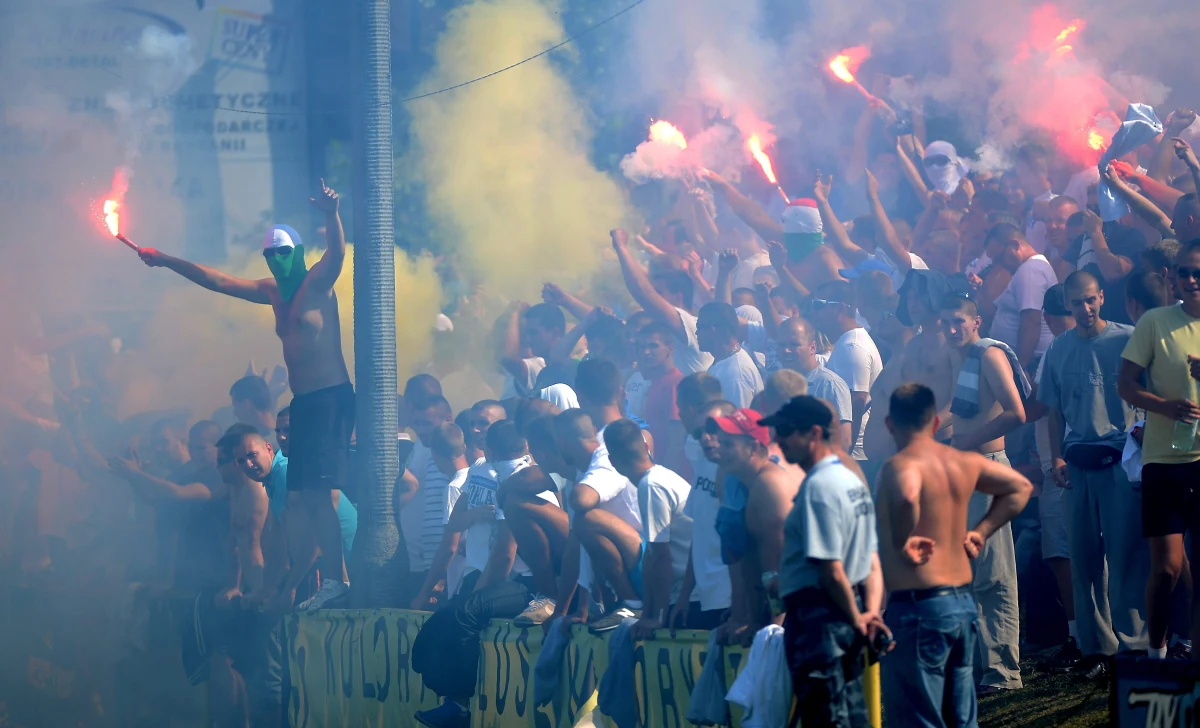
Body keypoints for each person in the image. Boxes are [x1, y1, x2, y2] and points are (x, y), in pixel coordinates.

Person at [138, 180, 354, 611]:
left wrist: (331, 214)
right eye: (269, 255)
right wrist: (164, 260)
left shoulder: (317, 283)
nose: (276, 260)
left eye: (283, 252)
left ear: (297, 252)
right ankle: (331, 578)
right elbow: (216, 281)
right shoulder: (272, 293)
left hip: (331, 398)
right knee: (304, 496)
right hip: (306, 404)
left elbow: (338, 253)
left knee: (320, 493)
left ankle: (338, 577)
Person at [876, 383, 1033, 728]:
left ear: (890, 424)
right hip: (960, 606)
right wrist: (981, 530)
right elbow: (1020, 488)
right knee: (961, 720)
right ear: (935, 424)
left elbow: (905, 494)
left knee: (921, 720)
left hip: (919, 608)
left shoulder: (899, 465)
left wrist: (903, 540)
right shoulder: (962, 462)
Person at [1038, 271, 1148, 673]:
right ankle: (1097, 649)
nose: (1084, 309)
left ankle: (1135, 645)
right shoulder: (1059, 349)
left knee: (1126, 556)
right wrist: (1057, 459)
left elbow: (1151, 395)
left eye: (1090, 300)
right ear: (1066, 305)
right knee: (1083, 559)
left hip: (1119, 459)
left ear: (1102, 297)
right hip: (1078, 462)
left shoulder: (1126, 338)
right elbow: (1053, 411)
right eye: (1076, 303)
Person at [760, 396, 884, 728]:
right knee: (850, 715)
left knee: (826, 719)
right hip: (845, 615)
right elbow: (871, 559)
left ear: (814, 433)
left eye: (787, 431)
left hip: (820, 621)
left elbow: (829, 568)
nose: (779, 439)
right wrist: (869, 612)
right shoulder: (850, 480)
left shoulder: (818, 486)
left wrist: (858, 617)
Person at [411, 425, 542, 728]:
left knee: (464, 615)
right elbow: (456, 521)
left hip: (520, 580)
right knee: (432, 631)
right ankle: (448, 699)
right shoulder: (481, 469)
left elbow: (506, 555)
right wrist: (476, 515)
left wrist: (476, 594)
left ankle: (459, 707)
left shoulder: (522, 481)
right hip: (481, 572)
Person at [941, 293, 1027, 692]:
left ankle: (1004, 672)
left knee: (993, 573)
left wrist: (966, 441)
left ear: (976, 321)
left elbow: (1016, 412)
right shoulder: (958, 357)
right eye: (946, 322)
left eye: (959, 321)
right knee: (969, 569)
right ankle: (981, 666)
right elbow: (957, 413)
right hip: (963, 473)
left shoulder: (988, 355)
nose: (952, 328)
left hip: (989, 470)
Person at [1118, 239, 1200, 659]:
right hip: (1164, 459)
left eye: (1198, 273)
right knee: (1166, 567)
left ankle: (1188, 646)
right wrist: (1165, 406)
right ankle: (1157, 654)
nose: (1191, 280)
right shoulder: (1154, 322)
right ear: (1172, 277)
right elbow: (1126, 384)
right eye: (1184, 272)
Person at [708, 408, 799, 645]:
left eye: (729, 444)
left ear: (754, 448)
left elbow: (778, 569)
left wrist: (771, 629)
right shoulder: (736, 482)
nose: (719, 448)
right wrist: (749, 618)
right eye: (721, 442)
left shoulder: (770, 486)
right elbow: (746, 557)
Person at [605, 418, 695, 639]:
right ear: (646, 446)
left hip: (691, 596)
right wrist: (647, 612)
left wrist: (658, 617)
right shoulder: (660, 477)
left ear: (612, 461)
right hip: (688, 589)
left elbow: (661, 558)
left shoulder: (652, 486)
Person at [669, 388, 734, 631]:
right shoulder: (704, 465)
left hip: (733, 600)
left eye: (713, 428)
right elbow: (700, 535)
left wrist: (744, 605)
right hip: (704, 597)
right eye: (700, 432)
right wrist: (685, 595)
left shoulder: (742, 477)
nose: (706, 437)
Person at [610, 228, 713, 374]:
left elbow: (642, 292)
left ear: (678, 297)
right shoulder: (667, 333)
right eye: (655, 293)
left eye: (659, 293)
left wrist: (621, 247)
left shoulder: (692, 326)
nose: (654, 299)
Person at [811, 280, 884, 459]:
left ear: (840, 309)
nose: (813, 311)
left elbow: (855, 404)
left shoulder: (852, 346)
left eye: (819, 304)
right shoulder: (847, 343)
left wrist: (843, 455)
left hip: (854, 454)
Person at [983, 223, 1058, 371]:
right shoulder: (1029, 268)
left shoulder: (1031, 270)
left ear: (1015, 245)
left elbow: (1031, 321)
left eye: (999, 258)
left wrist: (1020, 369)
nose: (998, 265)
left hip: (1029, 365)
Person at [775, 317, 854, 449]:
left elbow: (844, 442)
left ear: (812, 347)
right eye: (782, 345)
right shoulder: (778, 382)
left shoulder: (830, 385)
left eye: (794, 345)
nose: (786, 350)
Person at [625, 322, 687, 478]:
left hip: (670, 476)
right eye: (642, 347)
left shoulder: (675, 384)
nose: (646, 352)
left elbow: (677, 441)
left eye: (653, 346)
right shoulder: (656, 383)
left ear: (670, 349)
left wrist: (666, 479)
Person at [696, 301, 764, 408]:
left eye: (699, 327)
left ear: (712, 330)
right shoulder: (725, 363)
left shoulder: (736, 375)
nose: (696, 333)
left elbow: (738, 423)